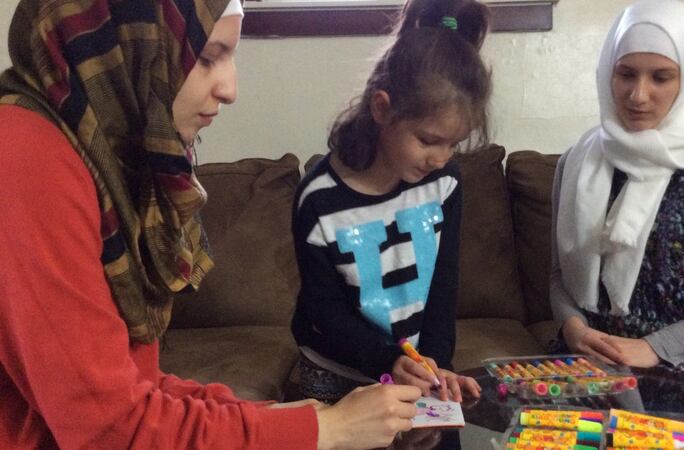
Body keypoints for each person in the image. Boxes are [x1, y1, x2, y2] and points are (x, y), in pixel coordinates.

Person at [0, 1, 421, 448]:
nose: (229, 88)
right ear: (129, 42)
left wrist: (272, 419)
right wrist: (324, 431)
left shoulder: (106, 158)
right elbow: (109, 428)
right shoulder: (26, 157)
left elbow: (133, 388)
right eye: (207, 57)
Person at [549, 0, 684, 386]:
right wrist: (574, 329)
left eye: (661, 77)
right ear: (608, 73)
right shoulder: (577, 162)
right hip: (596, 354)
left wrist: (653, 348)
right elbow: (558, 276)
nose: (638, 95)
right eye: (626, 74)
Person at [289, 0, 490, 403]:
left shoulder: (444, 183)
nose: (441, 158)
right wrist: (388, 362)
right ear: (382, 108)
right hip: (337, 372)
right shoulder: (319, 201)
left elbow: (442, 288)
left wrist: (434, 364)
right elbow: (323, 312)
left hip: (408, 369)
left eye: (454, 143)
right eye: (429, 140)